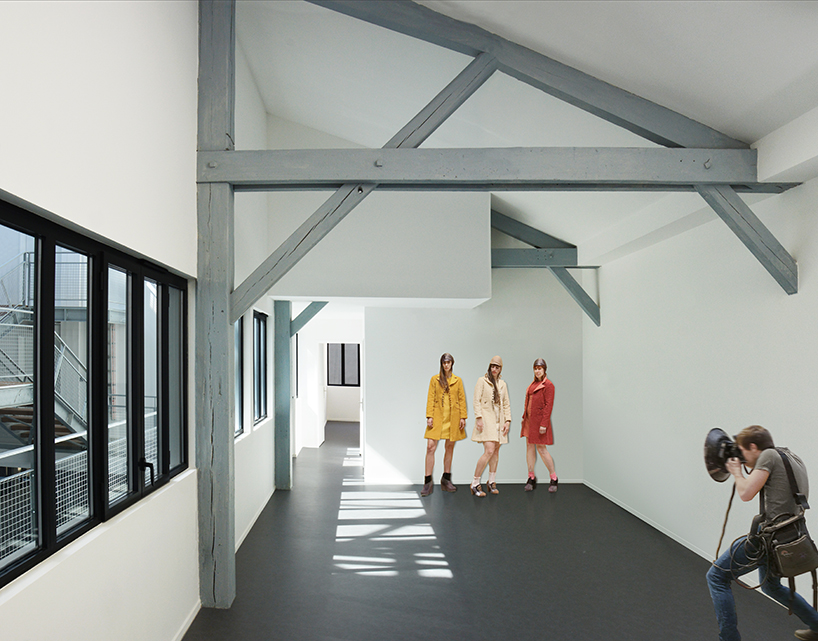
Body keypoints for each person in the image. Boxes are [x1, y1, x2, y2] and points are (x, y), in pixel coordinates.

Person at [706, 425, 818, 641]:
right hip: (789, 534)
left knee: (717, 576)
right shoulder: (789, 455)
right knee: (771, 587)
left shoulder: (767, 455)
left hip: (768, 536)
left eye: (743, 452)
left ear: (754, 447)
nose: (742, 458)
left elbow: (746, 493)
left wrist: (737, 472)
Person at [423, 353, 467, 496]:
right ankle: (428, 482)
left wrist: (463, 417)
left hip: (452, 418)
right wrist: (429, 415)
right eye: (444, 362)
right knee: (430, 447)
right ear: (441, 364)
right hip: (437, 417)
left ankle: (446, 479)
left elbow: (461, 399)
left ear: (452, 364)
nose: (446, 365)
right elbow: (430, 398)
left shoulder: (457, 381)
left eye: (448, 362)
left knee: (449, 447)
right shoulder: (434, 380)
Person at [469, 355, 511, 497]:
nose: (494, 369)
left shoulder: (503, 384)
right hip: (487, 419)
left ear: (500, 369)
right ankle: (475, 482)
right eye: (492, 366)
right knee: (489, 450)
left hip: (499, 420)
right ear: (489, 367)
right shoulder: (482, 381)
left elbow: (506, 404)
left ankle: (491, 482)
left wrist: (508, 421)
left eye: (497, 367)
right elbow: (476, 400)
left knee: (496, 451)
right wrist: (479, 418)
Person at [520, 358, 557, 492]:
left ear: (544, 369)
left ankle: (553, 478)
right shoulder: (532, 385)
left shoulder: (548, 385)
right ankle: (531, 477)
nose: (537, 371)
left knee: (541, 449)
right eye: (535, 368)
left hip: (540, 423)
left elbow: (548, 406)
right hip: (529, 421)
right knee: (529, 447)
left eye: (540, 368)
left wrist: (544, 424)